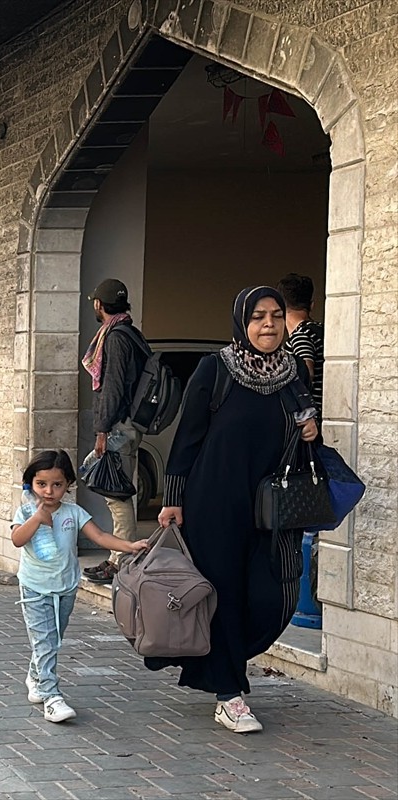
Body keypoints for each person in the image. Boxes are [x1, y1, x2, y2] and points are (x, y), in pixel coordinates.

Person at [151, 286, 319, 734]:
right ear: (242, 322)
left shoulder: (292, 375)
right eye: (259, 316)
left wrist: (310, 431)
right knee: (222, 592)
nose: (269, 324)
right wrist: (173, 499)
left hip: (270, 508)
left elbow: (305, 429)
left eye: (277, 315)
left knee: (269, 592)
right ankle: (230, 694)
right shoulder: (216, 369)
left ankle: (222, 666)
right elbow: (187, 437)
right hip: (215, 502)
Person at [12, 450, 148, 723]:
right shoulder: (26, 510)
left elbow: (99, 536)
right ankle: (52, 697)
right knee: (46, 642)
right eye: (42, 484)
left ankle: (36, 676)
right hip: (35, 589)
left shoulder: (74, 513)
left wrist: (129, 546)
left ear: (68, 485)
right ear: (31, 483)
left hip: (65, 588)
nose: (49, 491)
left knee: (54, 639)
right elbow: (17, 539)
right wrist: (37, 519)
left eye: (57, 484)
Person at [79, 278, 150, 585]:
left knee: (116, 492)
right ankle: (120, 556)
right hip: (128, 423)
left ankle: (121, 560)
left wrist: (102, 430)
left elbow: (113, 386)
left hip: (120, 425)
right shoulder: (131, 332)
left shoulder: (117, 337)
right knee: (114, 488)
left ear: (99, 305)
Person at [277, 273, 324, 415]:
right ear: (311, 305)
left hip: (310, 420)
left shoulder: (300, 336)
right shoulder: (322, 331)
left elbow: (306, 374)